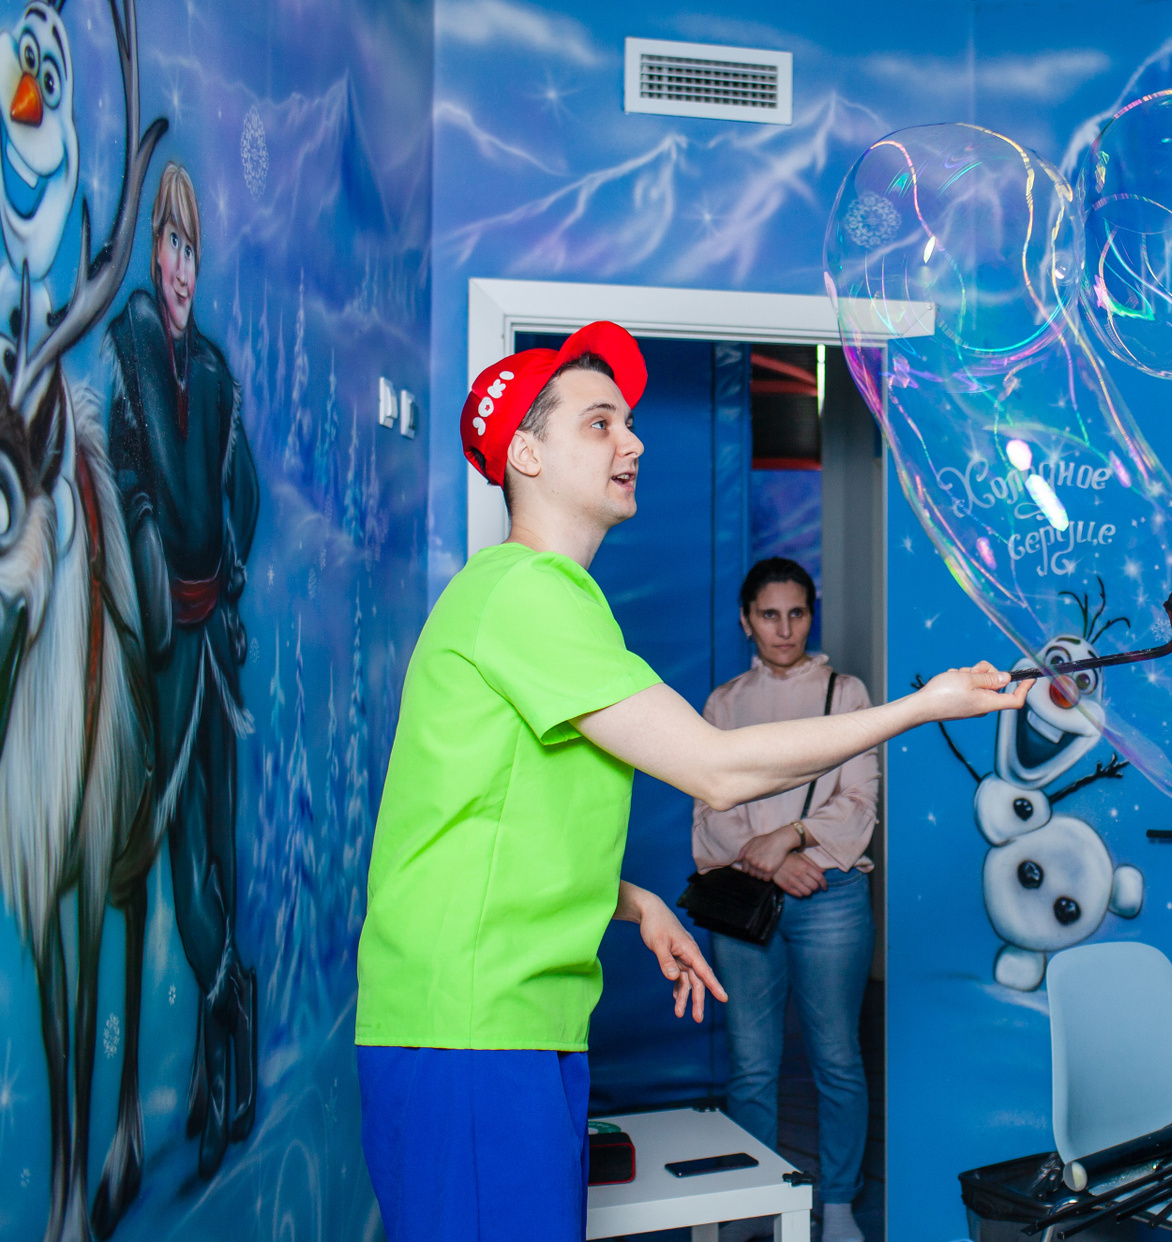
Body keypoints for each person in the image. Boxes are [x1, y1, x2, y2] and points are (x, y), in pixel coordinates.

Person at [355, 322, 1029, 1242]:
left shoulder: (542, 600)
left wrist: (635, 904)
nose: (632, 442)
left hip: (505, 1022)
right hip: (469, 1029)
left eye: (629, 422)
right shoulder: (525, 593)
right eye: (600, 423)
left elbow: (495, 822)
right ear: (526, 454)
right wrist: (921, 707)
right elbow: (715, 769)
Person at [106, 160, 261, 1177]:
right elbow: (122, 467)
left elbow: (244, 494)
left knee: (221, 856)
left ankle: (225, 1063)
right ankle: (224, 1018)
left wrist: (228, 577)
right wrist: (147, 533)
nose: (180, 266)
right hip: (165, 646)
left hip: (217, 647)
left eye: (192, 248)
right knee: (181, 862)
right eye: (169, 244)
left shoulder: (213, 369)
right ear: (151, 252)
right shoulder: (129, 354)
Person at [694, 558, 878, 1242]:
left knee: (837, 1058)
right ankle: (753, 1205)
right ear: (746, 620)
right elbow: (709, 807)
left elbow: (861, 800)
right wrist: (772, 861)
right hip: (745, 896)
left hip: (831, 894)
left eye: (796, 613)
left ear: (811, 616)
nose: (784, 628)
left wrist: (791, 839)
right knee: (751, 1064)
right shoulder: (723, 704)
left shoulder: (845, 693)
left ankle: (839, 1205)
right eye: (769, 615)